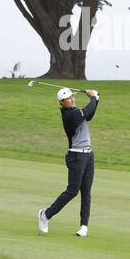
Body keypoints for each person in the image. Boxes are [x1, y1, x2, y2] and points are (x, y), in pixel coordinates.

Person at [38, 88, 99, 237]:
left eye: (72, 97)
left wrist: (95, 100)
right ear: (61, 103)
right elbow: (87, 111)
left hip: (88, 155)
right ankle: (45, 215)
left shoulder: (76, 111)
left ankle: (84, 226)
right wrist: (94, 98)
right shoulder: (69, 115)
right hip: (76, 156)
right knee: (72, 191)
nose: (72, 99)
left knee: (86, 192)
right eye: (68, 98)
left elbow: (89, 115)